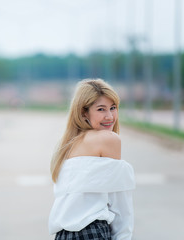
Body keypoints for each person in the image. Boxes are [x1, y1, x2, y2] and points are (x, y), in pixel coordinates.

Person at [48, 79, 136, 240]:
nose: (109, 116)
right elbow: (120, 205)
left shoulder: (67, 145)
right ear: (83, 113)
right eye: (101, 109)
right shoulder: (108, 139)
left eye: (113, 108)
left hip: (63, 235)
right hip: (92, 232)